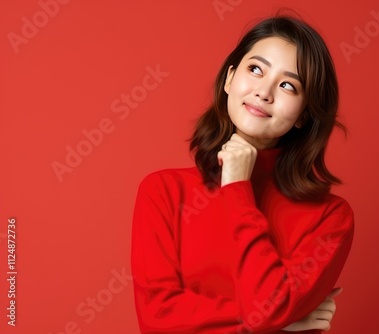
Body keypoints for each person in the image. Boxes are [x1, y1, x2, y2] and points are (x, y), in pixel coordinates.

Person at [131, 14, 354, 334]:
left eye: (288, 85)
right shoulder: (164, 191)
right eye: (255, 69)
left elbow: (268, 311)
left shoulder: (331, 218)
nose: (264, 92)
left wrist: (237, 187)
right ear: (229, 79)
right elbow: (157, 320)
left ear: (304, 115)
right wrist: (280, 319)